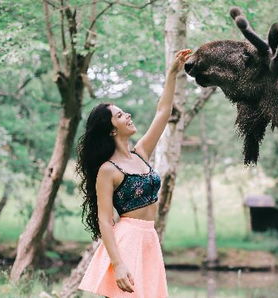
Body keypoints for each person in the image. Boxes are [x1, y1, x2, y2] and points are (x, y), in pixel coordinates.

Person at [76, 49, 192, 298]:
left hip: (149, 238)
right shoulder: (108, 170)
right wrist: (118, 265)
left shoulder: (140, 153)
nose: (127, 115)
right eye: (119, 115)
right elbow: (105, 221)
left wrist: (172, 73)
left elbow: (163, 112)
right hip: (126, 242)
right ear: (111, 130)